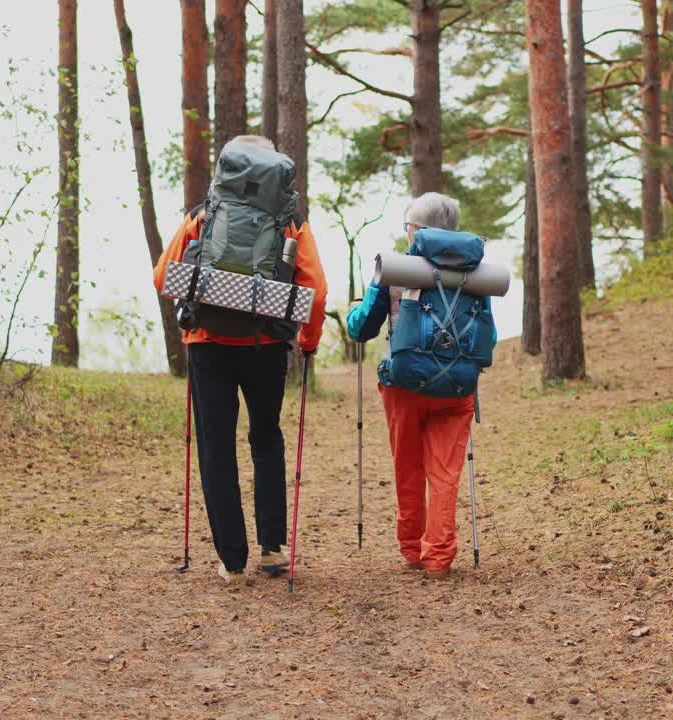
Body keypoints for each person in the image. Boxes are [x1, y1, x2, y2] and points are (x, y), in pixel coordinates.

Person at [153, 135, 328, 584]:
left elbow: (162, 278)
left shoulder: (203, 213)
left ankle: (232, 559)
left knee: (216, 448)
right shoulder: (291, 220)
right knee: (266, 438)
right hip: (265, 346)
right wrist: (308, 342)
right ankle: (273, 549)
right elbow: (317, 290)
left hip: (206, 344)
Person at [345, 192, 495, 579]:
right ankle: (438, 559)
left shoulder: (396, 268)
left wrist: (354, 310)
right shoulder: (476, 274)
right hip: (457, 390)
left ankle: (412, 549)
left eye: (409, 226)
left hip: (404, 386)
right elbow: (485, 336)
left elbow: (362, 328)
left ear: (418, 230)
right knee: (445, 474)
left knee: (408, 467)